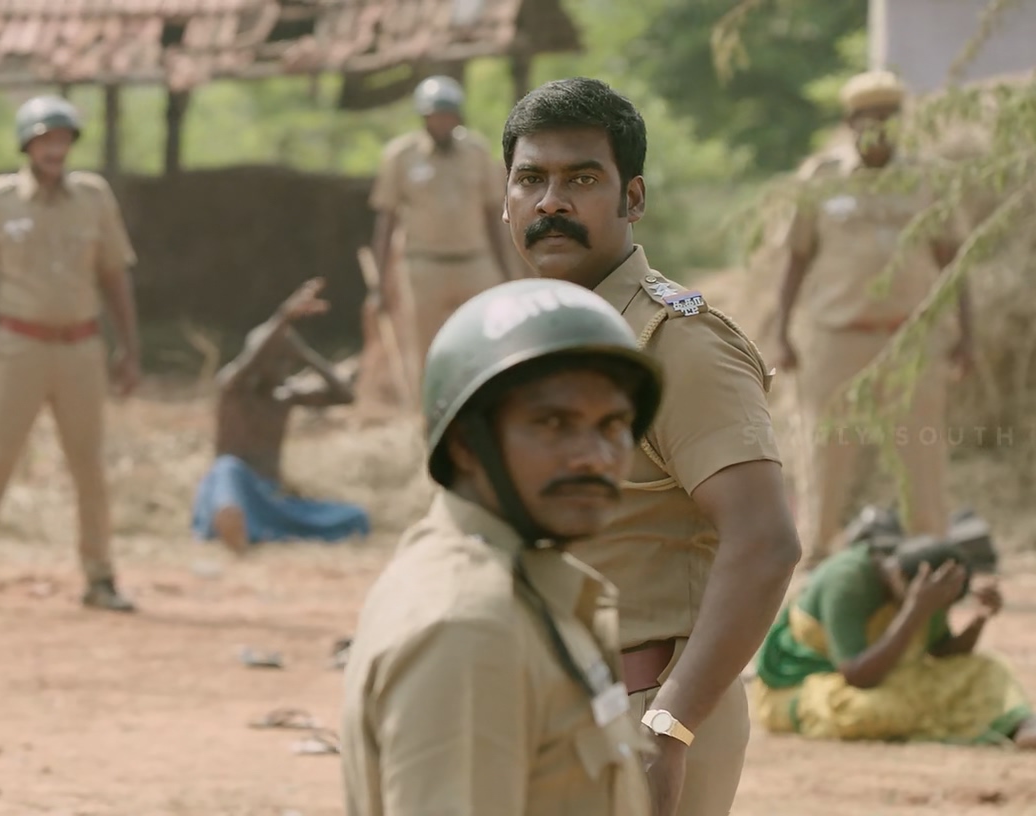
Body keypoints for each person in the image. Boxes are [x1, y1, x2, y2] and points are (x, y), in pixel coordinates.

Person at [502, 77, 802, 816]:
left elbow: (764, 541)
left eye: (581, 180)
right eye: (531, 180)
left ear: (632, 199)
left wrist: (670, 725)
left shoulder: (680, 346)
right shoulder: (521, 338)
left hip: (642, 712)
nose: (551, 203)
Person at [340, 277, 662, 815]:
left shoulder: (523, 586)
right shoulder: (469, 626)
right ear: (467, 444)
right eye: (554, 423)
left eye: (613, 425)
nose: (594, 456)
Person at [767, 69, 974, 570]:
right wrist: (781, 333)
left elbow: (954, 260)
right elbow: (796, 259)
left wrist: (968, 334)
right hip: (835, 339)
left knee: (920, 450)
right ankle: (817, 552)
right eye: (868, 116)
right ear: (850, 122)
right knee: (825, 450)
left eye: (889, 116)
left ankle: (930, 553)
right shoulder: (822, 179)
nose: (878, 125)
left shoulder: (929, 179)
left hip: (912, 340)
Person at [0, 95, 141, 613]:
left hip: (81, 348)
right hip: (19, 347)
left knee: (89, 465)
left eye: (63, 140)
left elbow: (114, 274)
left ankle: (100, 577)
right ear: (27, 145)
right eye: (45, 140)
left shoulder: (93, 197)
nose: (55, 149)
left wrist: (129, 349)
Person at [750, 540, 1035, 748]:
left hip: (891, 676)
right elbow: (858, 676)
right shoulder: (848, 581)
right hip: (807, 686)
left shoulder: (926, 591)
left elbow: (940, 652)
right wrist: (915, 612)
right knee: (874, 710)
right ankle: (964, 722)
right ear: (900, 577)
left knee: (990, 668)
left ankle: (1020, 725)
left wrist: (979, 620)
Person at [359, 75, 520, 406]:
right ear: (424, 117)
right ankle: (429, 416)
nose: (442, 122)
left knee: (486, 339)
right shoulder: (401, 156)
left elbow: (493, 213)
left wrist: (506, 268)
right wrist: (380, 281)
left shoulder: (476, 151)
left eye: (448, 115)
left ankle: (486, 407)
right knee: (426, 348)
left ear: (458, 116)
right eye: (435, 115)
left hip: (475, 262)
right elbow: (386, 220)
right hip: (424, 267)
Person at [192, 278, 367, 553]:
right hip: (233, 491)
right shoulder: (233, 391)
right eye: (275, 358)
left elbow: (345, 396)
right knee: (227, 469)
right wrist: (283, 316)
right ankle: (232, 523)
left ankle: (253, 527)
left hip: (271, 499)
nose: (281, 365)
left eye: (286, 360)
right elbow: (251, 356)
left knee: (355, 516)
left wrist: (304, 354)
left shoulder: (286, 396)